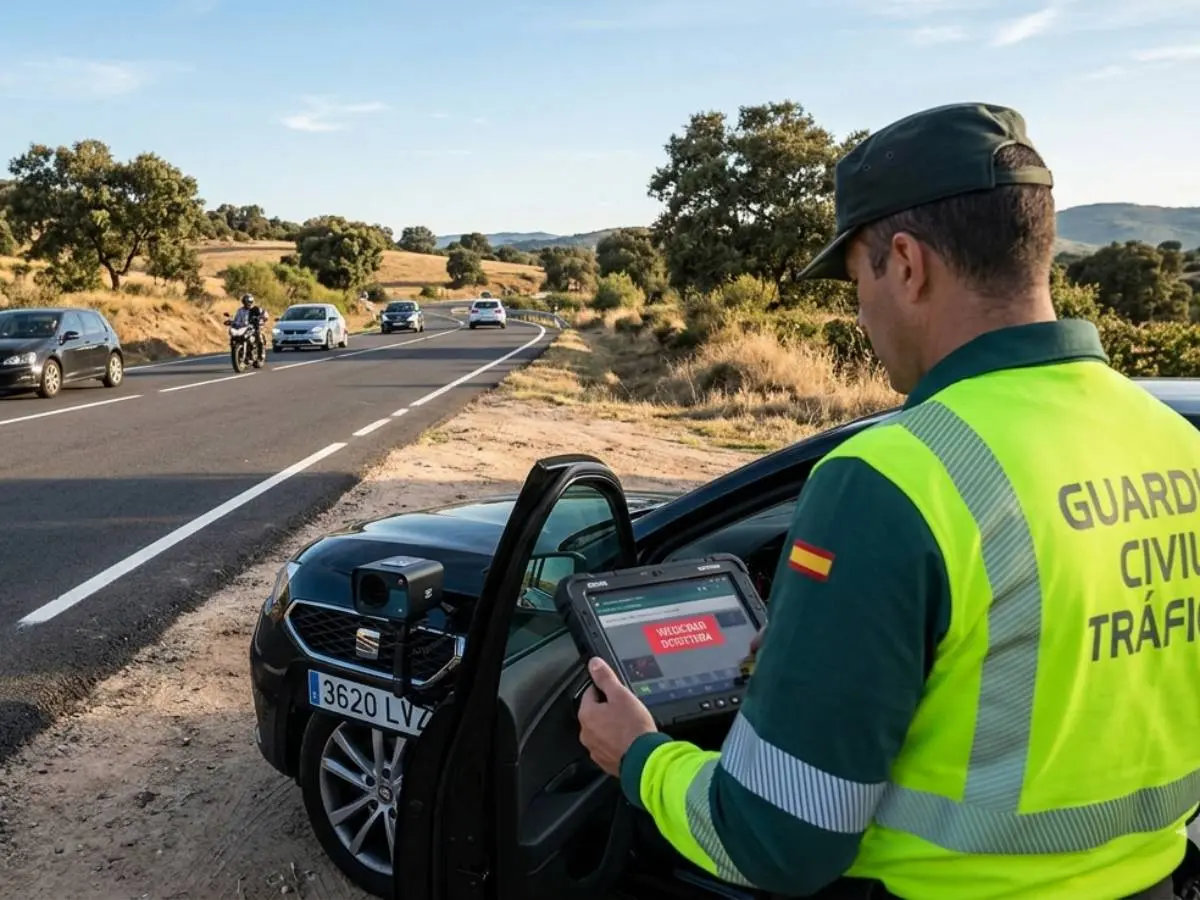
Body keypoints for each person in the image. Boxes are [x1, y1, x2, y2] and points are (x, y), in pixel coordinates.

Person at [577, 102, 1200, 899]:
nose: (860, 313)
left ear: (905, 263)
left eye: (857, 277)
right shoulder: (1173, 442)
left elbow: (775, 838)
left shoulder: (892, 476)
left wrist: (639, 756)